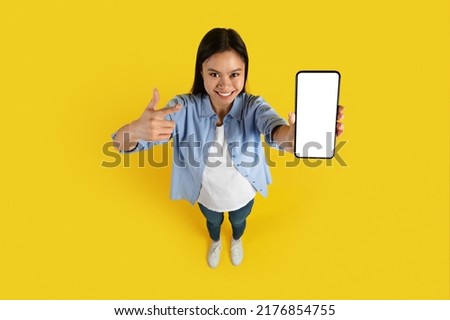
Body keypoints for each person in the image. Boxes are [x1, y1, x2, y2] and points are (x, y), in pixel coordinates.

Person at [112, 28, 344, 268]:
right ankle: (215, 242)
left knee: (239, 221)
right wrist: (134, 130)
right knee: (212, 223)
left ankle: (236, 239)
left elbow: (275, 131)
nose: (225, 84)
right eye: (214, 73)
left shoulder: (254, 107)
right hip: (206, 196)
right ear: (201, 71)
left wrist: (294, 136)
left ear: (245, 73)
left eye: (234, 74)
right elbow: (118, 144)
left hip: (243, 194)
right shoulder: (181, 109)